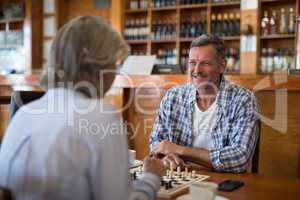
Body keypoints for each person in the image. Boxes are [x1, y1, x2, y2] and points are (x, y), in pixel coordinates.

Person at [0, 16, 164, 200]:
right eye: (115, 64)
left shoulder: (23, 114)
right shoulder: (102, 117)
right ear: (99, 66)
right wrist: (151, 177)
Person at [150, 34, 259, 173]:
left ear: (222, 66)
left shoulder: (243, 100)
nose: (196, 70)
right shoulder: (173, 96)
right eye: (192, 62)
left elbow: (240, 158)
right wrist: (166, 157)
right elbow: (156, 143)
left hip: (223, 185)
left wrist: (179, 150)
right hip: (180, 180)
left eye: (205, 63)